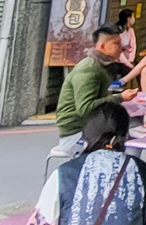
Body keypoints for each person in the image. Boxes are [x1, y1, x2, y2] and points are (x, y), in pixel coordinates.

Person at [52, 26, 125, 157]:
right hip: (75, 134)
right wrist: (120, 97)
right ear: (102, 47)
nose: (121, 47)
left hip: (89, 127)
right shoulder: (89, 69)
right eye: (116, 44)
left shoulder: (102, 66)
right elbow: (85, 108)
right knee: (122, 141)